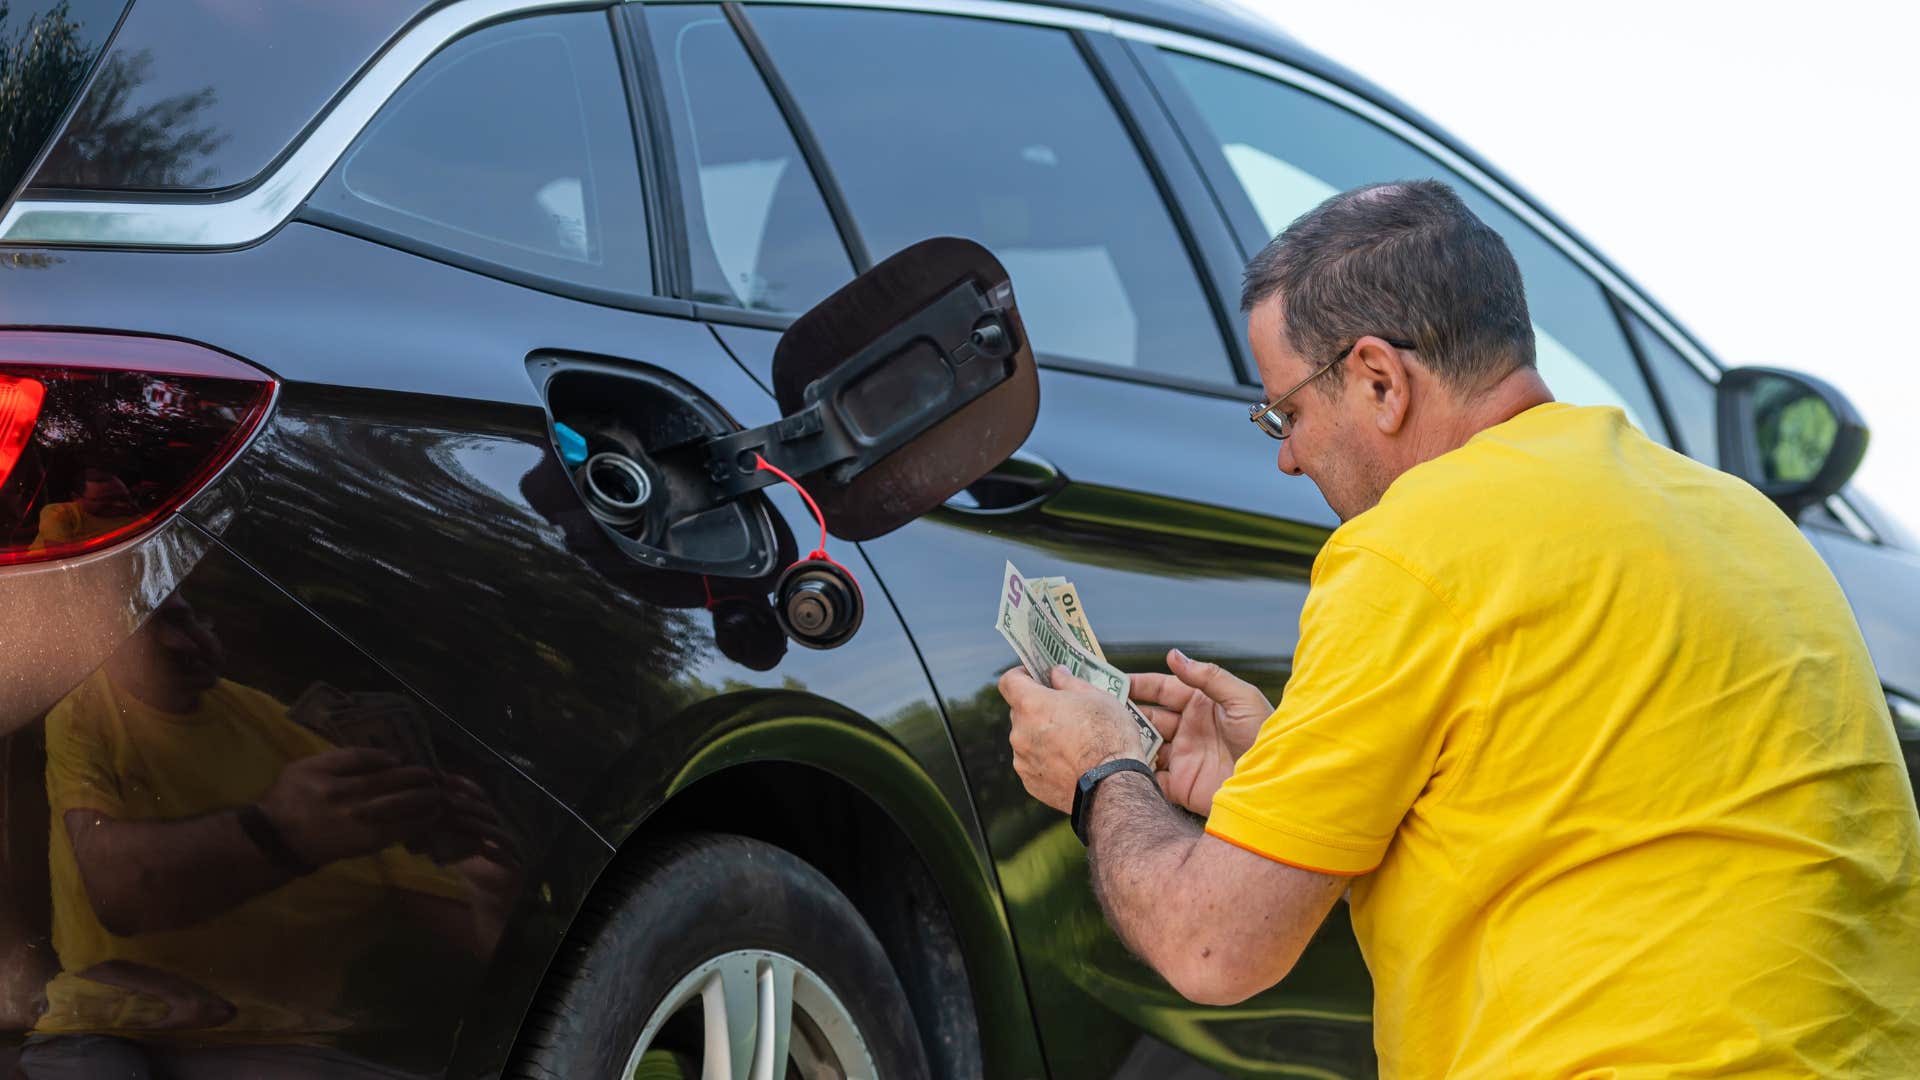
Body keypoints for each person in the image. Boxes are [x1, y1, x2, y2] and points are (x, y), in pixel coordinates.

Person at [999, 179, 1920, 1077]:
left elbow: (1213, 950)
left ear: (1377, 379)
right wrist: (1285, 786)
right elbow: (1597, 814)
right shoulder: (1743, 521)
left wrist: (1103, 773)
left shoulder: (1415, 546)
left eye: (1287, 412)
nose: (1284, 457)